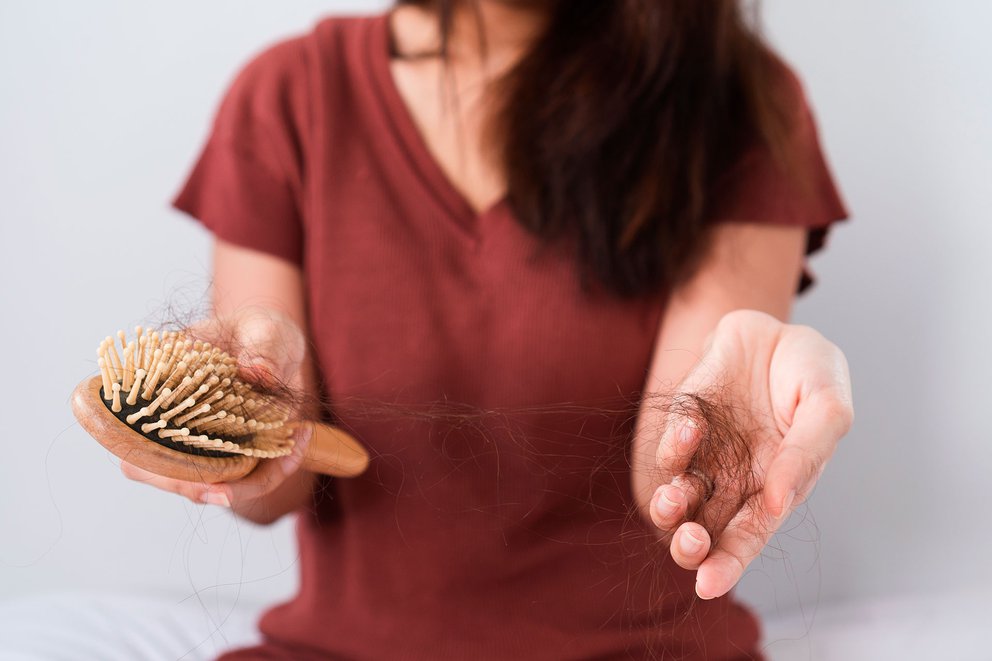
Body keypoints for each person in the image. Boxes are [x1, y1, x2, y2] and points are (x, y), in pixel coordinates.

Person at [123, 1, 854, 658]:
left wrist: (734, 426)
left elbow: (671, 484)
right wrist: (230, 434)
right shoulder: (289, 95)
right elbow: (278, 486)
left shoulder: (733, 102)